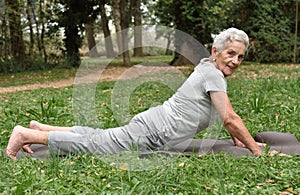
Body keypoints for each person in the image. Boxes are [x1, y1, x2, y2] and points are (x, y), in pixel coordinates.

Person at [5, 27, 264, 160]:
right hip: (153, 132)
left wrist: (239, 141)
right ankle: (26, 135)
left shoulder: (209, 68)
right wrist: (256, 151)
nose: (235, 61)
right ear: (216, 51)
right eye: (231, 53)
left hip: (154, 126)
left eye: (240, 56)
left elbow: (225, 113)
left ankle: (41, 127)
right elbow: (230, 117)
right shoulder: (213, 73)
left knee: (100, 137)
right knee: (97, 145)